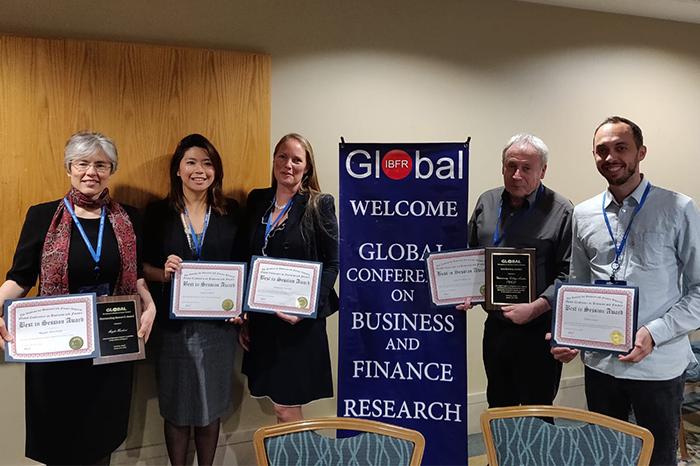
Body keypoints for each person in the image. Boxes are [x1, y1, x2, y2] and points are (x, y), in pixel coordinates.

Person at [0, 131, 156, 465]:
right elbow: (21, 278)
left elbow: (136, 274)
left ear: (111, 170)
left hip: (110, 349)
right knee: (60, 444)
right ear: (68, 168)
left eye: (101, 164)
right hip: (57, 351)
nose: (91, 172)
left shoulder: (129, 218)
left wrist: (150, 303)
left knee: (101, 443)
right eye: (82, 163)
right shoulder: (43, 216)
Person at [551, 116, 700, 466]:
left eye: (621, 148)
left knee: (658, 456)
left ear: (641, 152)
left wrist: (653, 332)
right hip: (602, 365)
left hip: (657, 364)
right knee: (606, 453)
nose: (611, 156)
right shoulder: (584, 214)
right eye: (602, 150)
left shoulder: (678, 208)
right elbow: (579, 284)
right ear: (594, 155)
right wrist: (571, 334)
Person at [142, 134, 241, 466]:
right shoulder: (157, 213)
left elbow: (244, 265)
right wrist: (163, 272)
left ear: (216, 170)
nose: (200, 170)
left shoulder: (230, 212)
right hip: (173, 329)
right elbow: (141, 268)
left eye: (208, 163)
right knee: (177, 408)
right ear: (178, 170)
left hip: (218, 328)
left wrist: (241, 307)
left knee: (209, 408)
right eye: (192, 162)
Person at [461, 133, 572, 408]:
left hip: (539, 331)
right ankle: (499, 454)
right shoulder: (486, 202)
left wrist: (536, 307)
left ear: (542, 170)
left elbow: (570, 274)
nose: (517, 174)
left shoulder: (562, 211)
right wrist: (467, 292)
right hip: (496, 329)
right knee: (498, 406)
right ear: (502, 167)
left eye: (526, 168)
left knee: (537, 412)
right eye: (511, 166)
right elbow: (471, 254)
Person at [238, 133, 339, 423]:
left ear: (307, 167)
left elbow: (333, 263)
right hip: (263, 320)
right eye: (282, 156)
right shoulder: (257, 200)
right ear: (273, 160)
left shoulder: (319, 204)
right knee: (275, 402)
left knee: (287, 406)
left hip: (298, 325)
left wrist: (305, 309)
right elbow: (246, 258)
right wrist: (246, 314)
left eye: (297, 159)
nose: (288, 165)